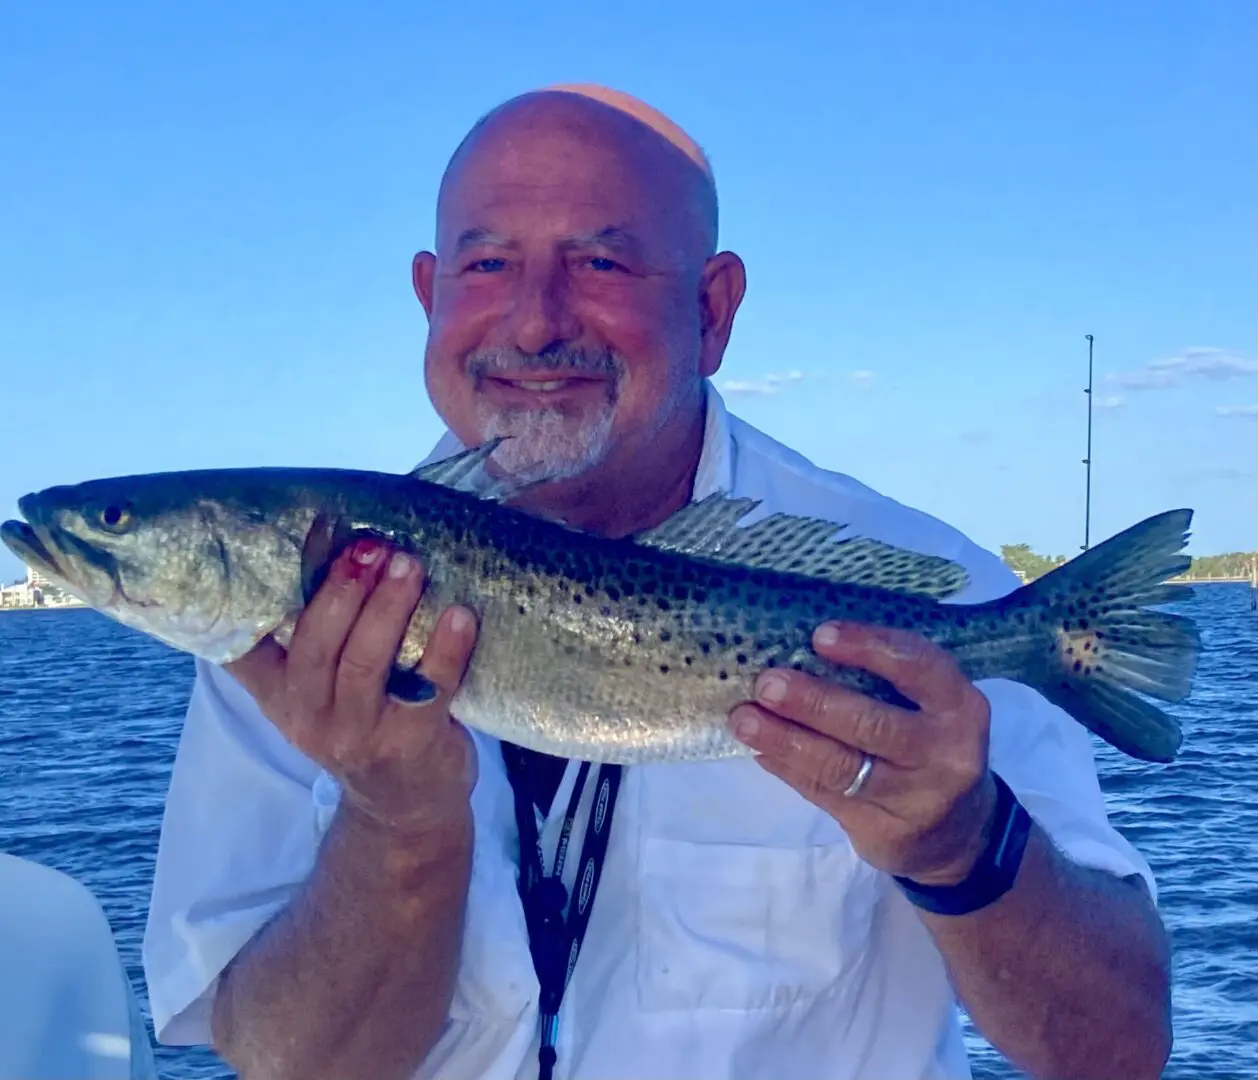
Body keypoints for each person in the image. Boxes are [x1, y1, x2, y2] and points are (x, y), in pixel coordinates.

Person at [142, 86, 1172, 1080]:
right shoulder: (297, 630)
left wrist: (965, 852)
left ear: (712, 309)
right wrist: (394, 818)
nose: (535, 322)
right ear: (429, 295)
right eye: (488, 262)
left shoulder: (932, 597)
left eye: (600, 261)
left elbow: (1117, 1052)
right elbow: (289, 1063)